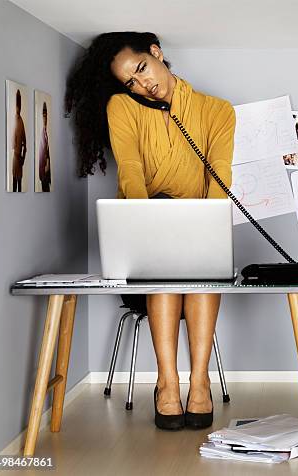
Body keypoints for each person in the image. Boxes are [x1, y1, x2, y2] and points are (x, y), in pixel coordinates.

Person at [65, 32, 235, 431]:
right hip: (145, 232)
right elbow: (131, 173)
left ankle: (199, 382)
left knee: (202, 275)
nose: (143, 85)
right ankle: (167, 383)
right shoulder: (122, 108)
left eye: (142, 69)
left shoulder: (218, 110)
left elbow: (219, 178)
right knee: (164, 272)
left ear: (156, 54)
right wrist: (148, 230)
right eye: (131, 81)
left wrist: (205, 231)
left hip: (201, 228)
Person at [12, 89, 26, 192]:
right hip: (15, 157)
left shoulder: (21, 121)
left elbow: (25, 143)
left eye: (19, 105)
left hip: (19, 158)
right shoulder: (14, 120)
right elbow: (12, 142)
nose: (18, 107)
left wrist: (23, 159)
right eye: (17, 105)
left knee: (19, 184)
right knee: (14, 183)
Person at [38, 102, 51, 192]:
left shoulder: (47, 132)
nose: (44, 119)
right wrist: (46, 163)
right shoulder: (42, 133)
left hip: (47, 170)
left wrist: (48, 162)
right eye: (43, 116)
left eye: (45, 116)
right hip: (43, 170)